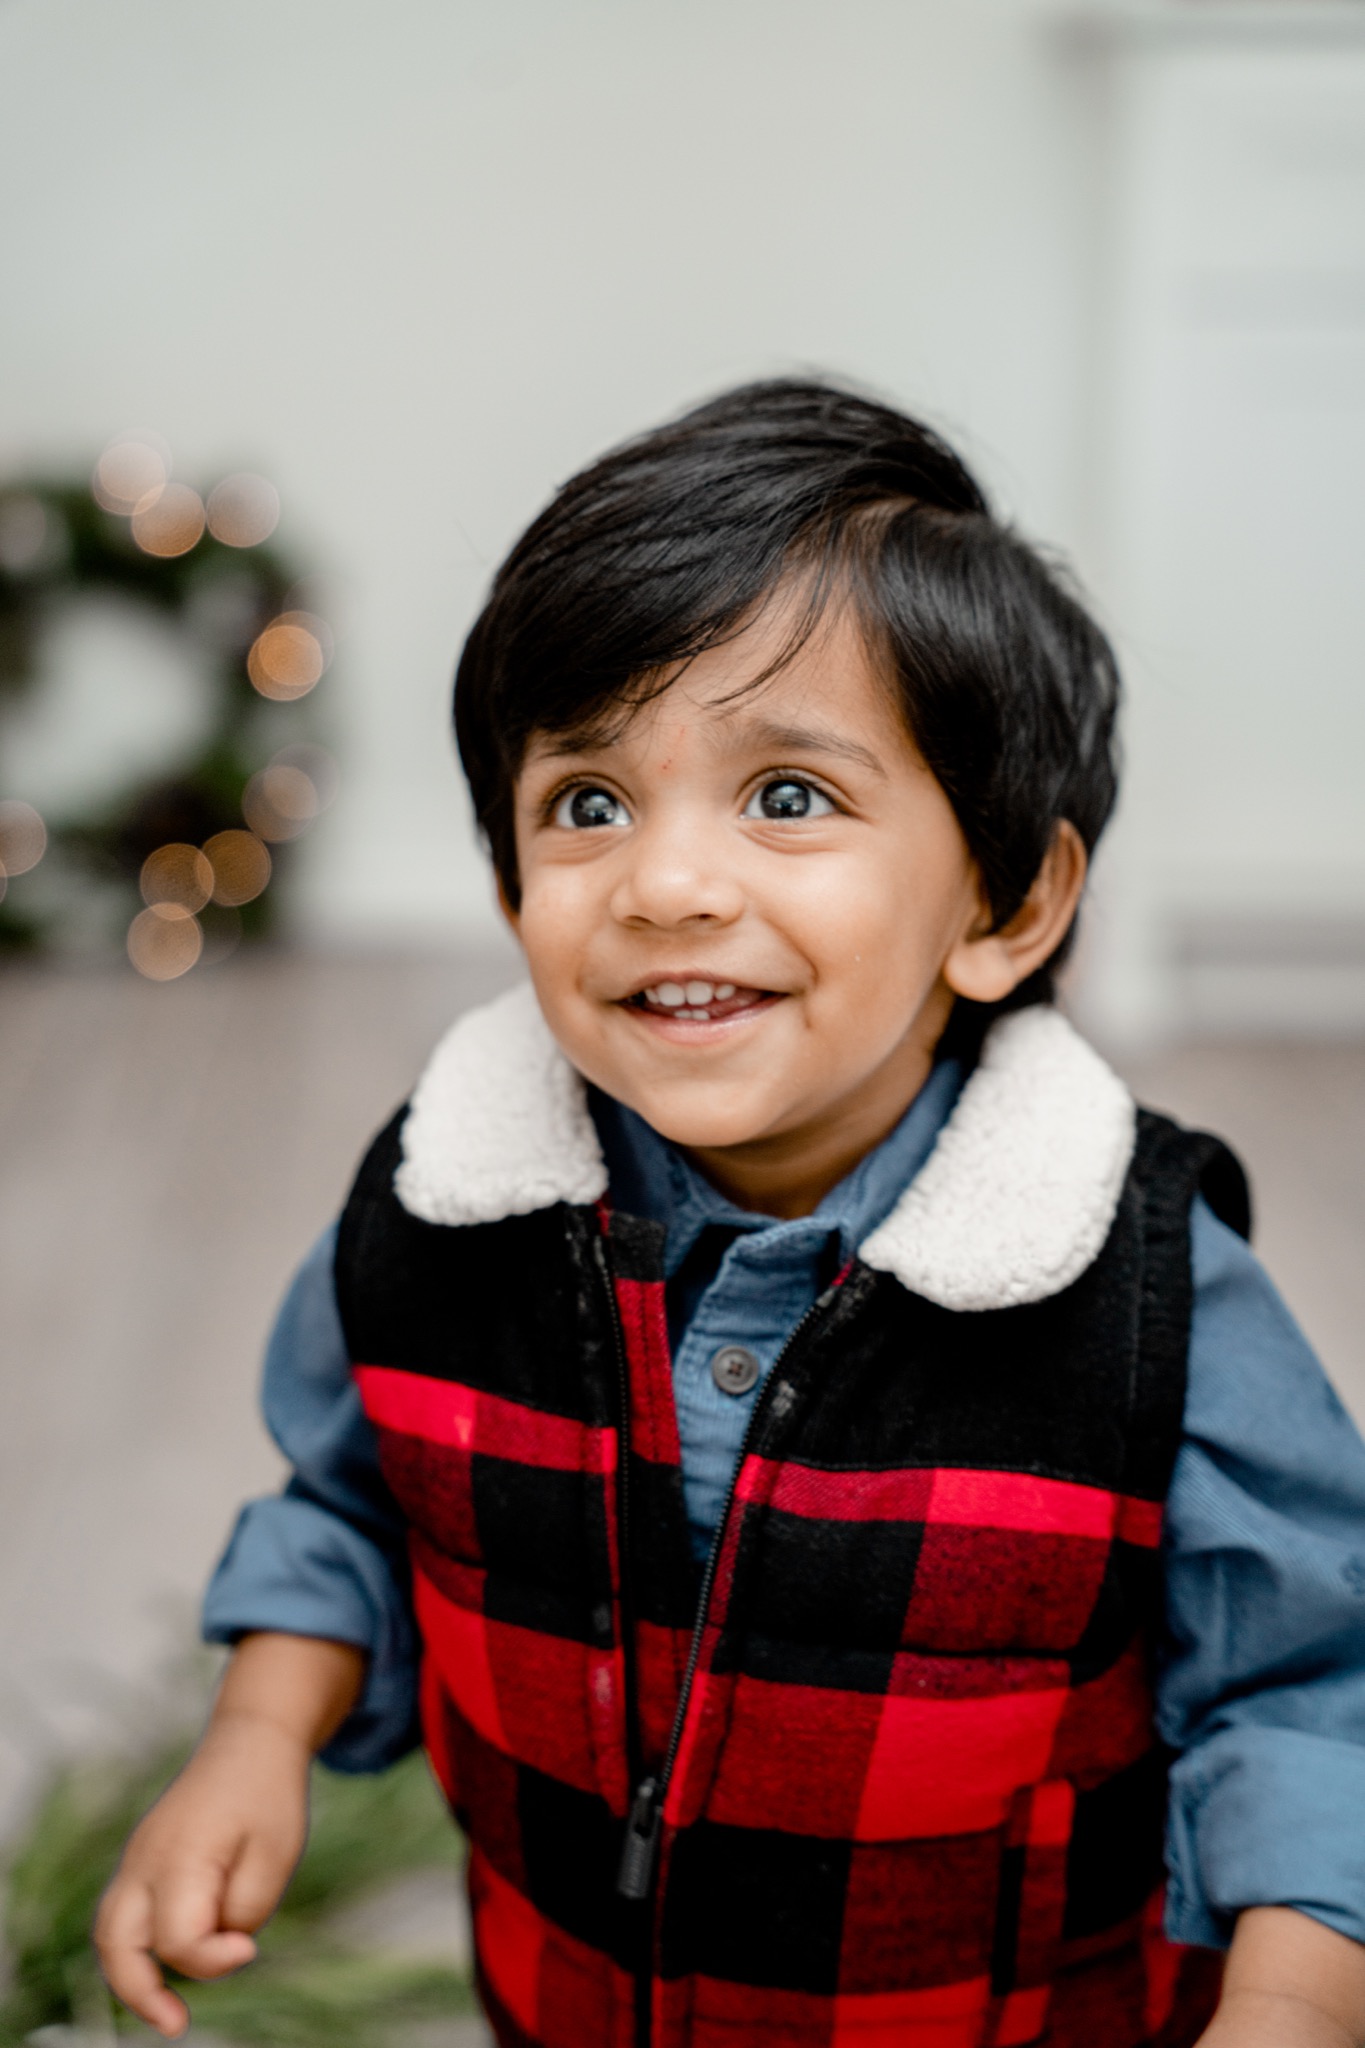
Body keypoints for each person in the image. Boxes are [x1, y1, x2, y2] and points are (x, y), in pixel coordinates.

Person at [97, 381, 1365, 2048]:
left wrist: (1294, 2001)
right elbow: (349, 1504)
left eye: (786, 798)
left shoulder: (1143, 1301)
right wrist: (256, 1738)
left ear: (1002, 902)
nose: (664, 884)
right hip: (563, 2001)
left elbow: (1302, 1691)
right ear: (506, 890)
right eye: (589, 804)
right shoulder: (442, 1213)